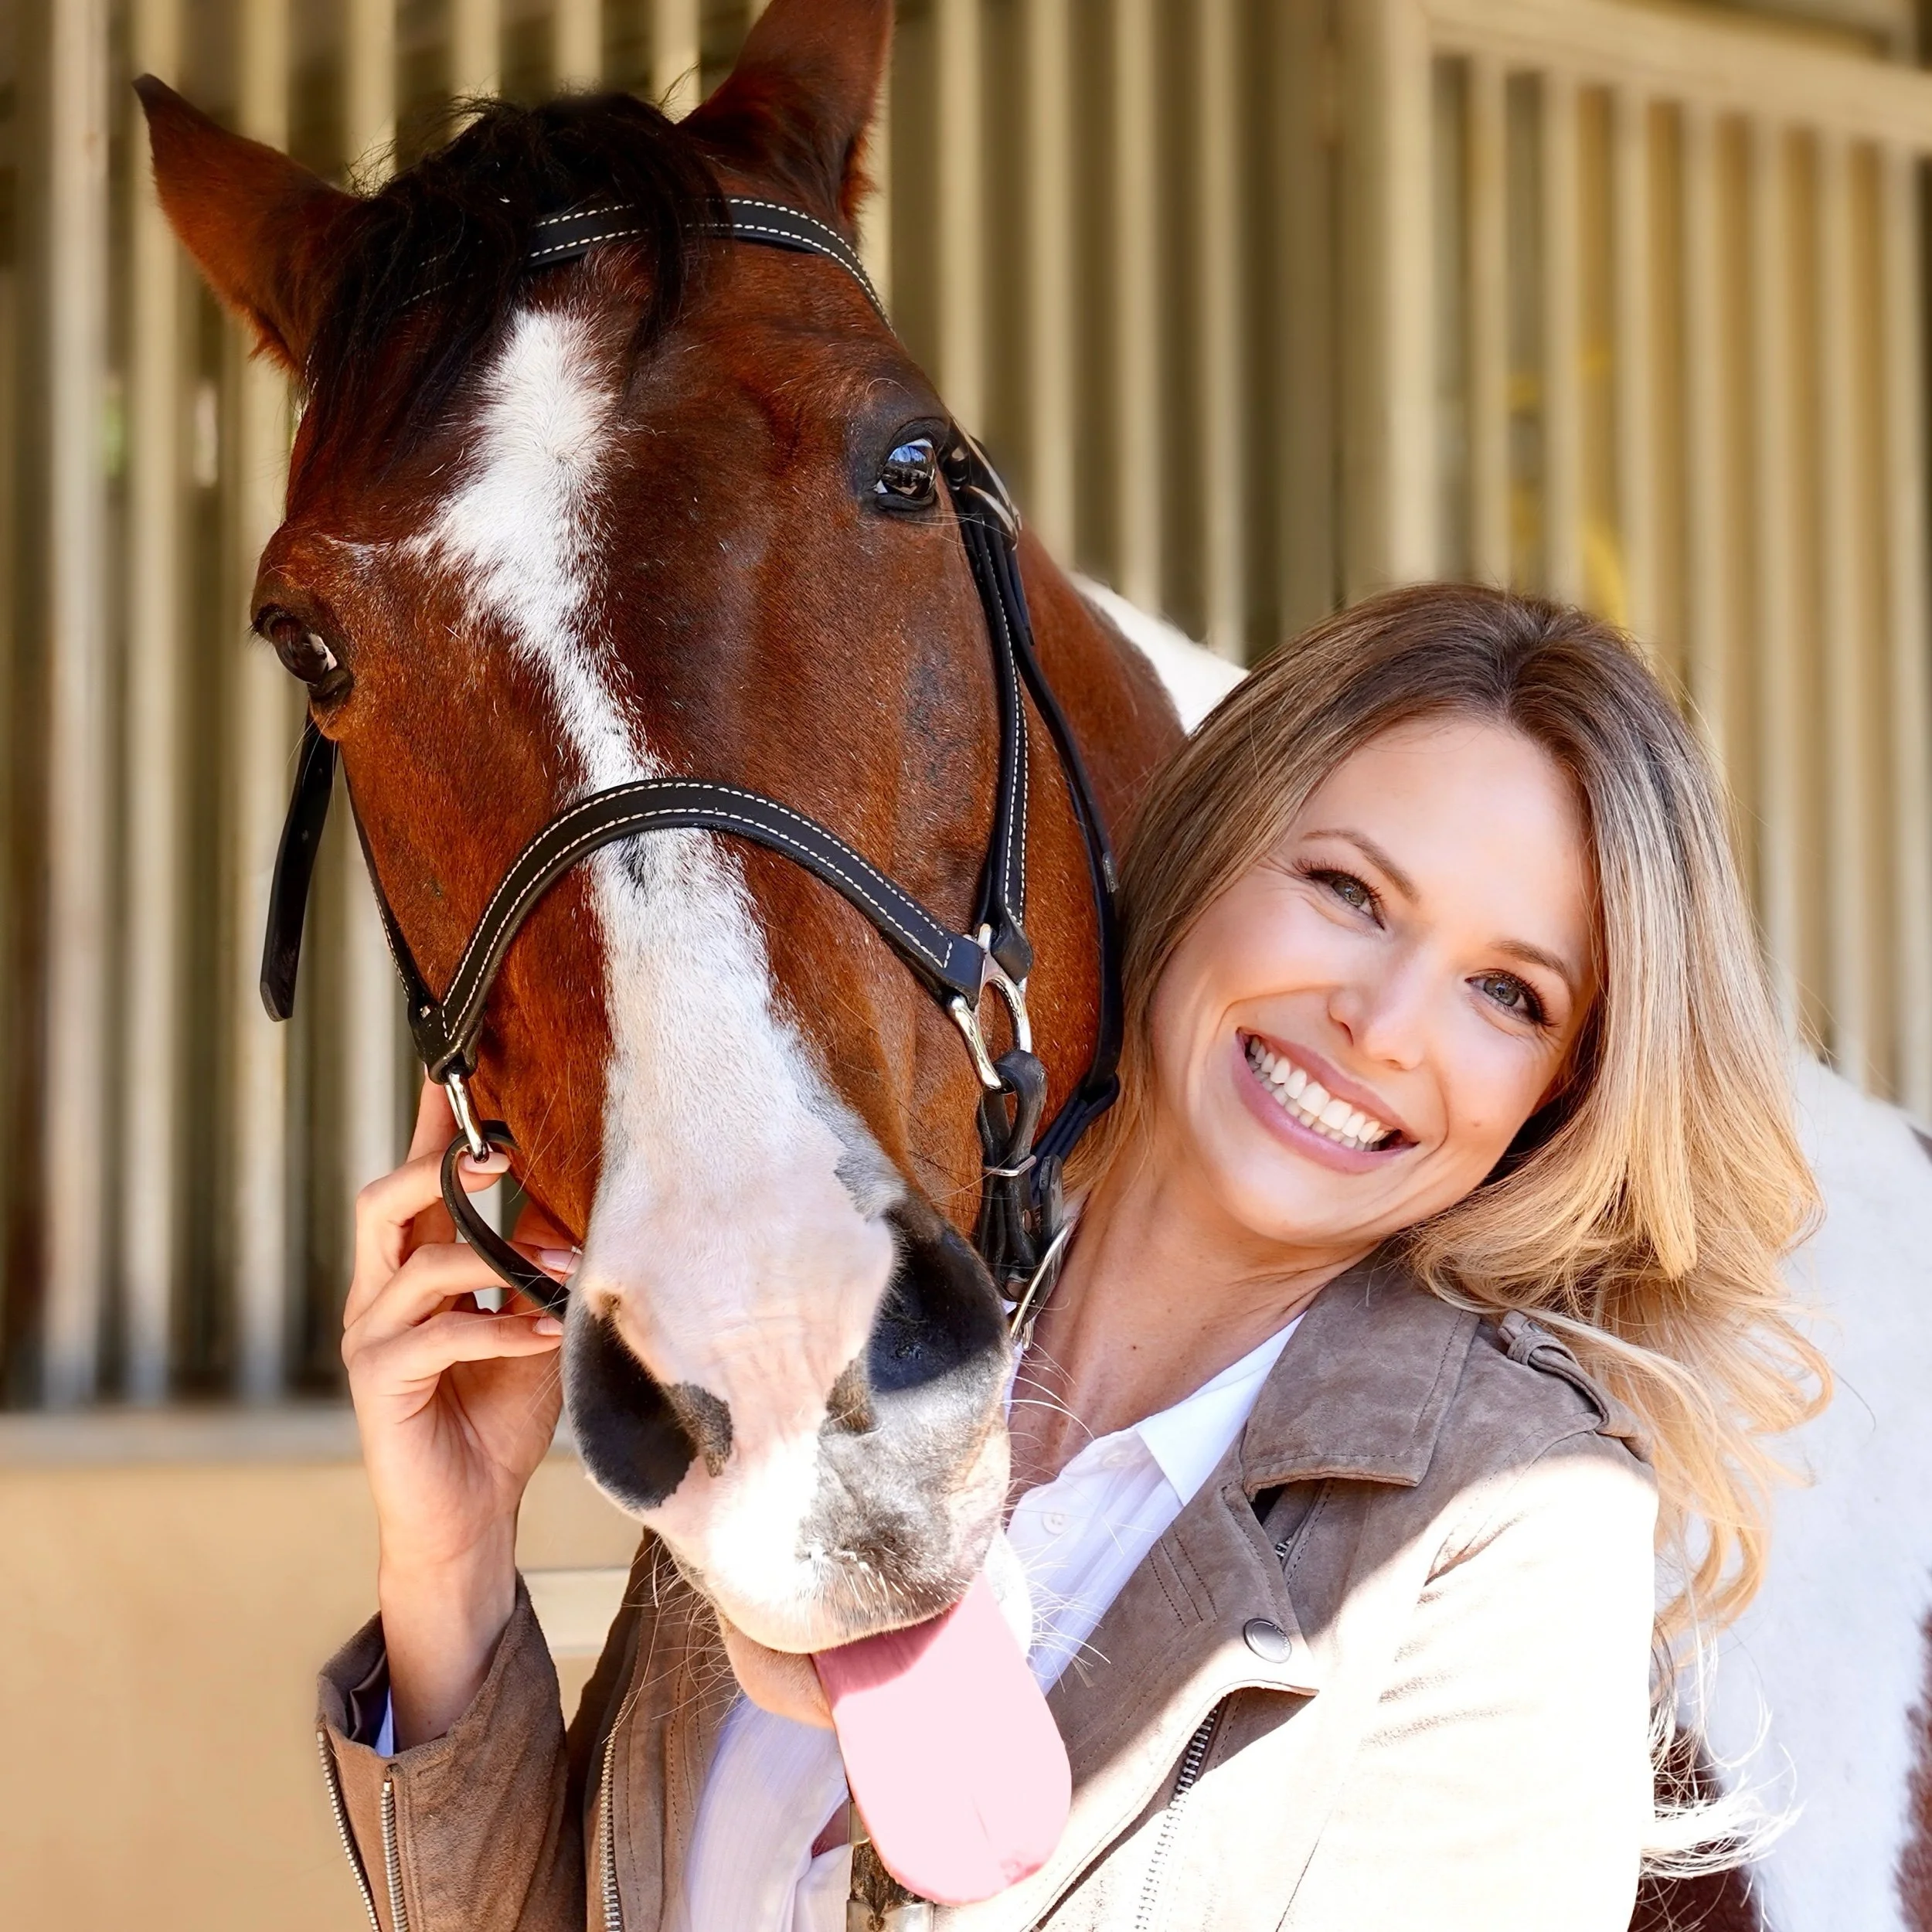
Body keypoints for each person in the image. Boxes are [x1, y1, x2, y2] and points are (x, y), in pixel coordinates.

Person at [318, 583, 1824, 1930]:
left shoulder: (1508, 1523)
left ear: (1552, 1091)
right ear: (1216, 840)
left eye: (1505, 992)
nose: (1384, 1022)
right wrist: (452, 1557)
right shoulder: (877, 1304)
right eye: (1347, 892)